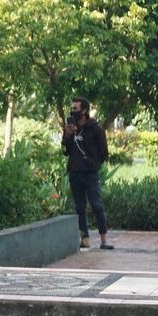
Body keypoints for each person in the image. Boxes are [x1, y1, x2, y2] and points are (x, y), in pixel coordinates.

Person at [62, 97, 113, 250]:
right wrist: (68, 135)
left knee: (97, 205)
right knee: (80, 207)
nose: (72, 111)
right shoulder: (70, 128)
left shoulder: (95, 129)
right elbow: (66, 151)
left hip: (90, 174)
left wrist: (93, 164)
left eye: (75, 109)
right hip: (75, 173)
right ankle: (85, 239)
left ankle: (104, 240)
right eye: (71, 109)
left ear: (84, 110)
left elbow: (103, 152)